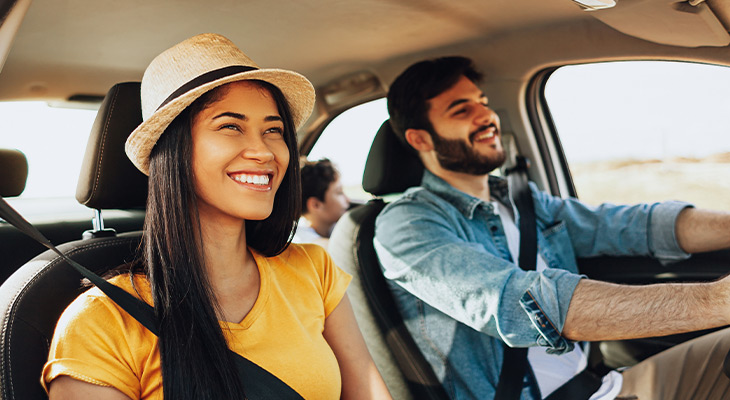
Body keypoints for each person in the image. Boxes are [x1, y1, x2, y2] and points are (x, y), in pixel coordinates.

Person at [41, 33, 392, 400]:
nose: (263, 151)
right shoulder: (101, 322)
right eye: (230, 126)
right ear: (172, 150)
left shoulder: (313, 270)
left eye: (273, 130)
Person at [373, 56, 730, 400]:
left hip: (603, 385)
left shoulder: (522, 200)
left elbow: (629, 225)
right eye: (461, 110)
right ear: (420, 139)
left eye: (482, 102)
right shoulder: (407, 225)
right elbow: (520, 300)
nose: (487, 115)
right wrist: (718, 300)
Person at [293, 158, 350, 247]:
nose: (347, 199)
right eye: (339, 192)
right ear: (316, 205)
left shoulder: (332, 228)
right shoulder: (304, 242)